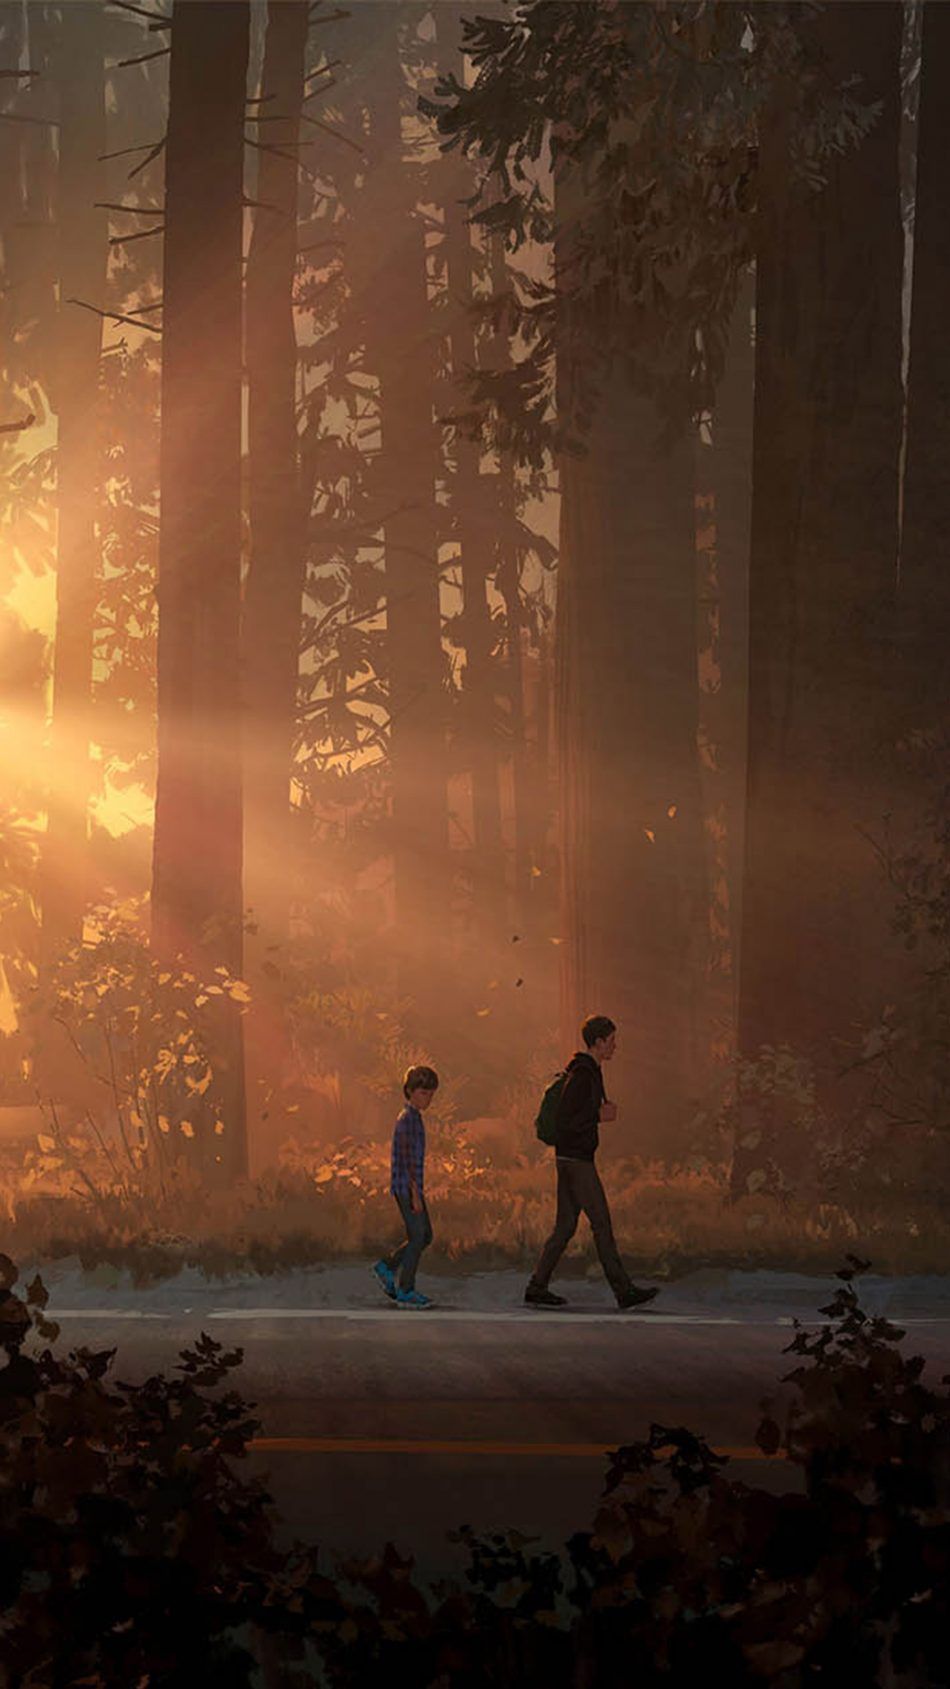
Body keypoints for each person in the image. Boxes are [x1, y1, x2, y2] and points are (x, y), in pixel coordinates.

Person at [524, 1015, 658, 1311]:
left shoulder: (587, 1070)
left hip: (569, 1158)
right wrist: (599, 1115)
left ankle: (536, 1287)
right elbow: (566, 1120)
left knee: (565, 1227)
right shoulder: (583, 1074)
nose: (614, 1046)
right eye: (610, 1041)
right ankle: (624, 1291)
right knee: (601, 1223)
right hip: (577, 1161)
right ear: (598, 1042)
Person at [372, 1063, 439, 1309]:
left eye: (431, 1094)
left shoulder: (414, 1118)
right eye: (423, 1093)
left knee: (425, 1235)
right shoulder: (408, 1120)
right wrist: (415, 1194)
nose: (427, 1098)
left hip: (411, 1186)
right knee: (419, 1235)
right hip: (406, 1186)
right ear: (409, 1091)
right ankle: (406, 1290)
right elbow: (409, 1159)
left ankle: (387, 1266)